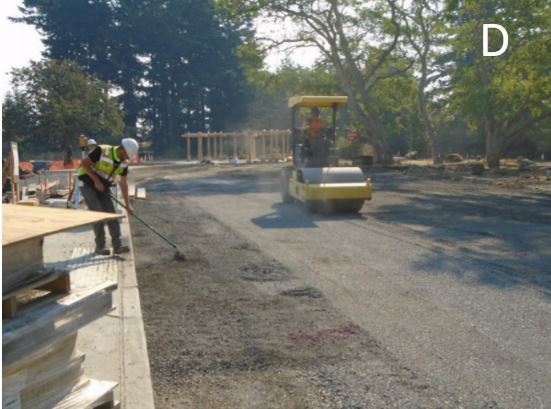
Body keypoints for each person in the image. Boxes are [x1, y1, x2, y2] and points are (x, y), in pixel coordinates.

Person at [77, 138, 139, 255]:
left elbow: (123, 183)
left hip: (103, 186)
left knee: (111, 213)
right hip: (86, 182)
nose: (126, 158)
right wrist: (96, 181)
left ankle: (117, 246)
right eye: (126, 155)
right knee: (98, 212)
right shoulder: (102, 150)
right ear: (122, 150)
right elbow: (84, 164)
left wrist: (128, 204)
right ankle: (100, 246)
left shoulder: (124, 163)